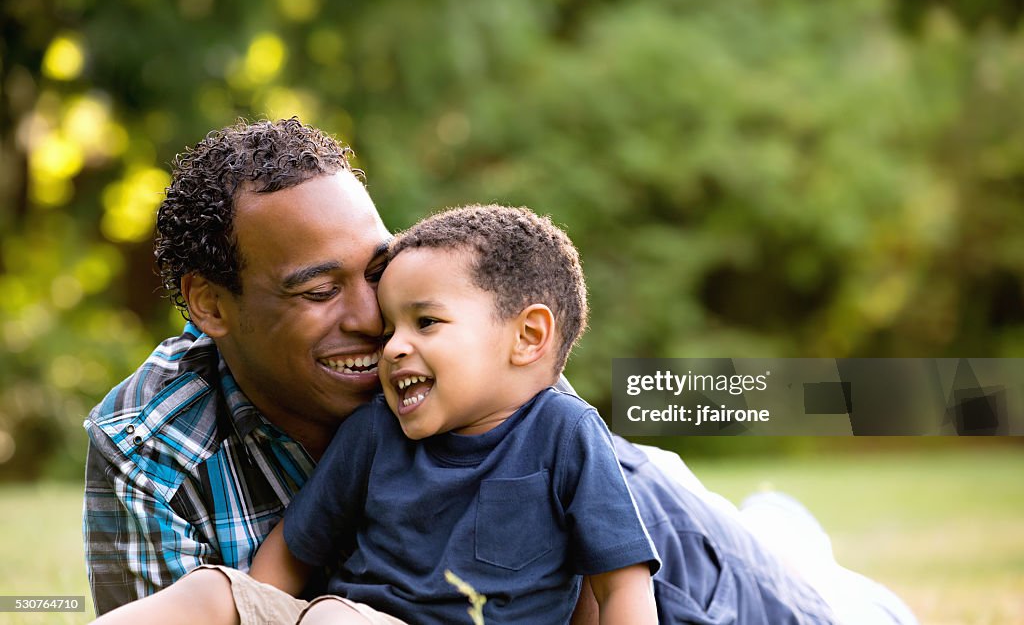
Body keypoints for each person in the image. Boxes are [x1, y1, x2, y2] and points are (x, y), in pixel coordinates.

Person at [84, 118, 917, 624]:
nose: (376, 322)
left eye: (375, 271)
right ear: (212, 305)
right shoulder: (151, 448)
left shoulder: (457, 353)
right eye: (318, 289)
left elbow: (602, 586)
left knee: (822, 600)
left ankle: (792, 539)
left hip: (676, 552)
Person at [92, 204, 661, 624]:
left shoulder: (566, 432)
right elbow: (292, 551)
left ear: (527, 337)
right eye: (390, 328)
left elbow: (621, 589)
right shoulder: (375, 429)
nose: (390, 347)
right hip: (348, 616)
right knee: (214, 590)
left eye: (426, 323)